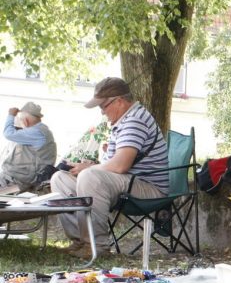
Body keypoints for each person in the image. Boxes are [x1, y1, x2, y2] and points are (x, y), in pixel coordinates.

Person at [50, 77, 168, 259]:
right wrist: (90, 166)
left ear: (119, 101)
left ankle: (97, 247)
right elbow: (116, 164)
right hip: (127, 182)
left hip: (148, 188)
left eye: (103, 106)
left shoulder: (134, 120)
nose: (102, 112)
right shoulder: (124, 120)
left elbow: (121, 165)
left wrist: (90, 169)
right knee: (60, 179)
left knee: (90, 177)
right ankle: (80, 241)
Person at [0, 102, 57, 190]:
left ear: (26, 121)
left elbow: (8, 134)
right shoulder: (42, 130)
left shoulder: (36, 132)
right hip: (24, 177)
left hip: (21, 180)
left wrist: (11, 115)